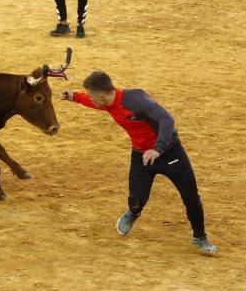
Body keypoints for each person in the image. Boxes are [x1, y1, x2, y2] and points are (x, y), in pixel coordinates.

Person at [62, 71, 216, 255]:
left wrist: (157, 149)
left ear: (101, 95)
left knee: (190, 197)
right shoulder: (108, 103)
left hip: (170, 152)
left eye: (91, 95)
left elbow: (167, 120)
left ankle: (200, 238)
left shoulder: (137, 100)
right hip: (141, 156)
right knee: (136, 200)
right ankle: (133, 213)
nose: (91, 99)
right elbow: (90, 102)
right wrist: (74, 97)